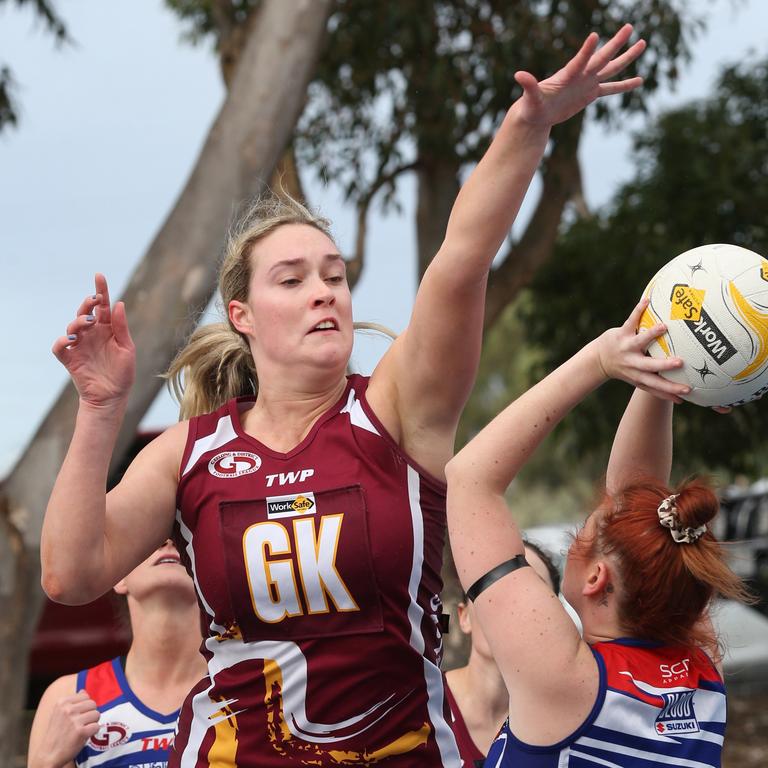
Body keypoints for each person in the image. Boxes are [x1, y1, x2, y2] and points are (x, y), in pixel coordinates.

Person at [42, 25, 647, 768]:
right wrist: (101, 409)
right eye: (292, 280)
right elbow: (71, 576)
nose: (324, 292)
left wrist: (529, 126)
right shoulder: (190, 453)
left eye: (334, 275)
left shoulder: (396, 412)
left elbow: (460, 261)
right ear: (243, 317)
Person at [446, 298, 752, 767]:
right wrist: (659, 367)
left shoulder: (568, 683)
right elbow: (635, 498)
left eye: (581, 533)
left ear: (597, 579)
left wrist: (598, 361)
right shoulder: (699, 674)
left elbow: (470, 479)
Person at [28, 541, 206, 768]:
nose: (168, 542)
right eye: (152, 535)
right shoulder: (68, 696)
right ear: (119, 578)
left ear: (208, 573)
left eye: (180, 533)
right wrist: (47, 762)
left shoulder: (245, 685)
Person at [444, 542, 560, 767]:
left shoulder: (566, 723)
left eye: (532, 591)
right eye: (492, 588)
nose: (511, 607)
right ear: (464, 616)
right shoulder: (420, 706)